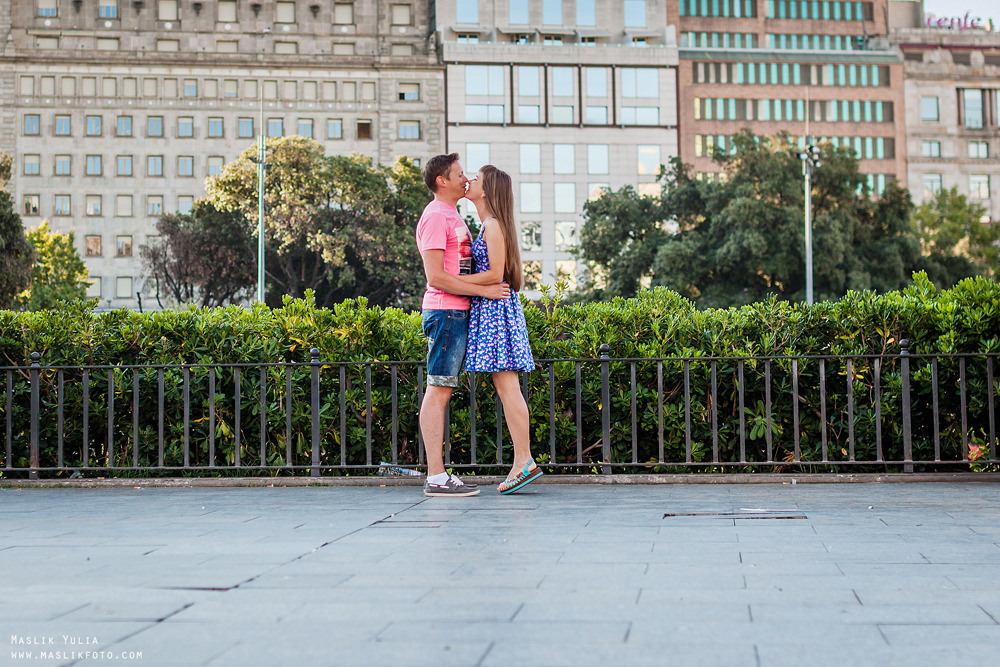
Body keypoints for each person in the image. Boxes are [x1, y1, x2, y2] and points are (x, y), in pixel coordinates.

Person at [416, 154, 510, 497]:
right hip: (445, 312)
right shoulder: (434, 216)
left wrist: (478, 292)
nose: (465, 177)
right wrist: (482, 290)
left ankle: (439, 475)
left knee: (442, 389)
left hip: (457, 312)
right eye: (458, 173)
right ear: (443, 180)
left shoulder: (453, 215)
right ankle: (436, 477)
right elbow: (437, 276)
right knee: (437, 389)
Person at [456, 165, 543, 495]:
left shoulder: (492, 226)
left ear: (487, 191)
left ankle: (524, 461)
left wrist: (454, 282)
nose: (469, 181)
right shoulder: (490, 225)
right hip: (493, 310)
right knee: (508, 387)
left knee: (508, 388)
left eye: (476, 178)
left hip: (496, 311)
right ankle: (522, 460)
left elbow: (495, 274)